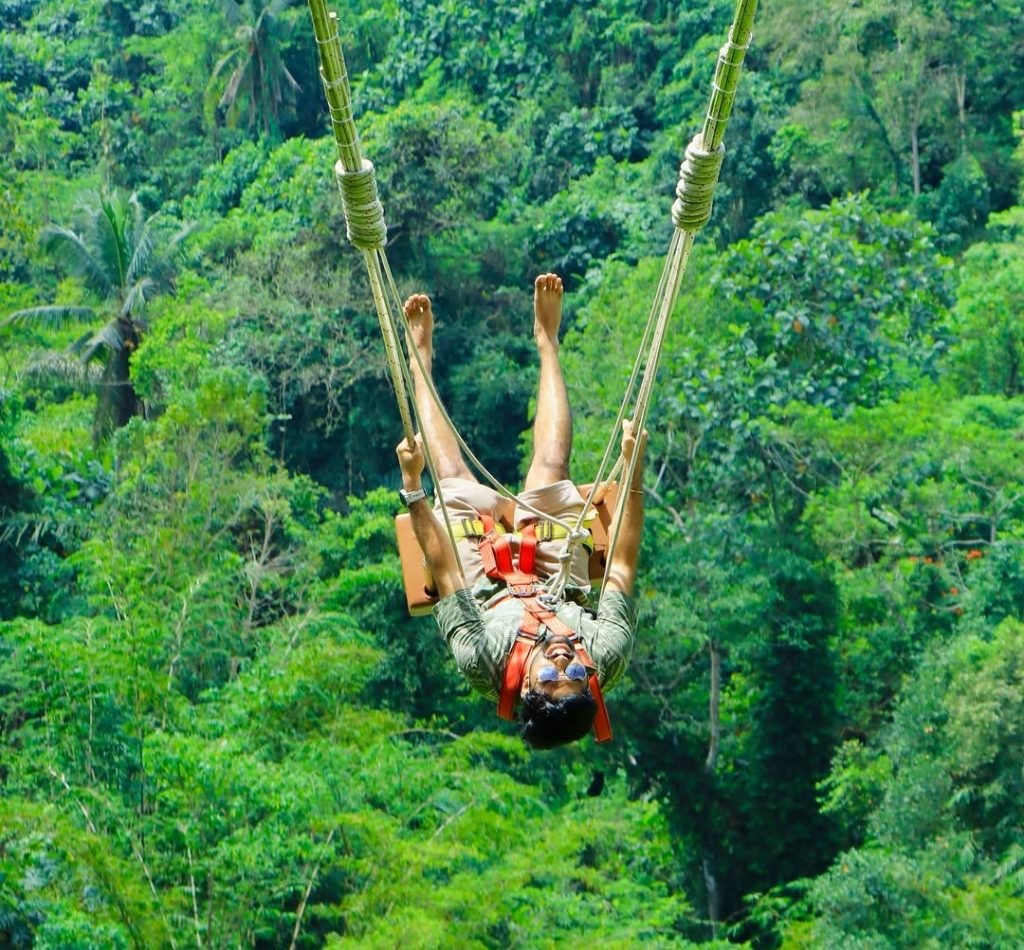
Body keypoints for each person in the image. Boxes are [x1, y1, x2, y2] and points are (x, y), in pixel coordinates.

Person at [396, 273, 646, 749]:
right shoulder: (605, 654)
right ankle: (547, 340)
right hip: (559, 580)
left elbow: (445, 572)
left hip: (486, 588)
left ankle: (419, 362)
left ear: (529, 688)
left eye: (553, 674)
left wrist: (413, 487)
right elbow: (622, 563)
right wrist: (634, 473)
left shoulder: (482, 659)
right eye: (576, 670)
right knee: (551, 468)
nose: (563, 658)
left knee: (451, 475)